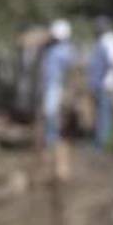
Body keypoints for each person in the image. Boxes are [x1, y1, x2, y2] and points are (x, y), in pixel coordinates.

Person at [86, 16, 113, 147]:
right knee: (101, 113)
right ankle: (99, 140)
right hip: (101, 83)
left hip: (105, 84)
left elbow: (112, 63)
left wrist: (105, 80)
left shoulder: (110, 41)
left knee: (104, 113)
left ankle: (102, 142)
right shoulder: (105, 40)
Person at [39, 18, 77, 146]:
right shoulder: (52, 48)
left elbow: (69, 67)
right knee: (49, 109)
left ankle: (51, 137)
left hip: (55, 83)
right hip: (49, 82)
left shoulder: (65, 50)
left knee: (51, 110)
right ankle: (49, 136)